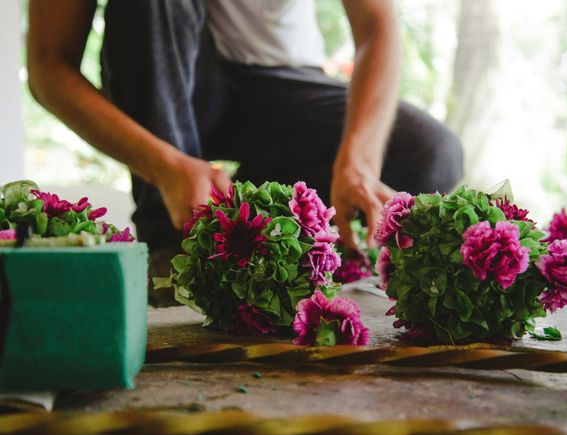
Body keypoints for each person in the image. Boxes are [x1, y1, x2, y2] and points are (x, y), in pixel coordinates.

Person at [27, 0, 463, 303]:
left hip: (285, 87)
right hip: (172, 88)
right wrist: (164, 167)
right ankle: (173, 243)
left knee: (429, 151)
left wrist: (359, 164)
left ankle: (278, 234)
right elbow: (50, 65)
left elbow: (375, 24)